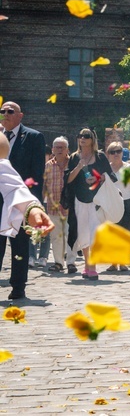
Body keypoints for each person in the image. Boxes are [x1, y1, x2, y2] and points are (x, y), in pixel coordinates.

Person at [0, 101, 45, 298]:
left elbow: (36, 174)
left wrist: (33, 205)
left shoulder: (33, 137)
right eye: (2, 111)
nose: (5, 114)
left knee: (19, 245)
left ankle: (18, 287)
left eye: (10, 111)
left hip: (19, 201)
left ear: (20, 116)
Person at [64, 128, 117, 281]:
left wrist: (97, 179)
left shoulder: (100, 157)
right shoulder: (74, 157)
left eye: (86, 136)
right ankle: (88, 264)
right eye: (80, 136)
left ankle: (92, 266)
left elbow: (110, 176)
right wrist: (79, 167)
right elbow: (67, 179)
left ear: (92, 139)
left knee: (95, 233)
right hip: (79, 200)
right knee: (83, 233)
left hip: (97, 200)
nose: (83, 139)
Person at [43, 137, 75, 273]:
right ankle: (58, 262)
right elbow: (44, 185)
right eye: (57, 147)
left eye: (62, 147)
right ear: (52, 149)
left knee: (71, 235)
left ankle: (71, 263)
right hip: (53, 205)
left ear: (68, 149)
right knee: (56, 236)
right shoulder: (48, 165)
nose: (59, 150)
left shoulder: (73, 163)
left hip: (70, 206)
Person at [106, 141, 130, 271]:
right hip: (110, 204)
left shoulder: (128, 168)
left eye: (118, 151)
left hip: (126, 202)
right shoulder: (106, 169)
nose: (115, 154)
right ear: (108, 154)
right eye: (112, 152)